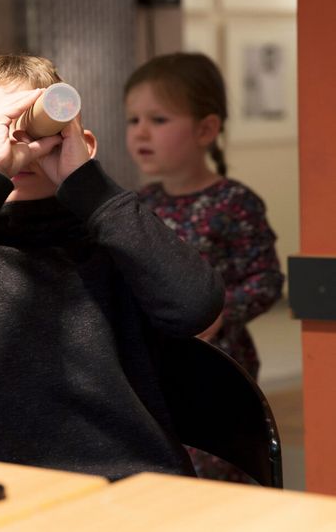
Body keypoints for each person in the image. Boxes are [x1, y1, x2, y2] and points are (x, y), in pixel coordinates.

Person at [0, 53, 224, 482]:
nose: (13, 150)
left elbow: (195, 307)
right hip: (1, 487)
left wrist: (88, 184)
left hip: (132, 484)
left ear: (84, 146)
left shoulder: (120, 233)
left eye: (34, 133)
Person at [124, 52, 284, 480]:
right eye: (133, 120)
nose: (141, 132)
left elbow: (266, 280)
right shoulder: (139, 206)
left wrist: (220, 311)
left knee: (216, 467)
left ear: (206, 130)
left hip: (219, 367)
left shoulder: (234, 202)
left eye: (158, 120)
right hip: (154, 365)